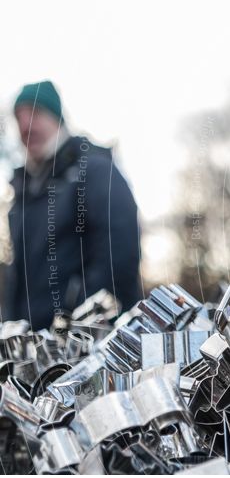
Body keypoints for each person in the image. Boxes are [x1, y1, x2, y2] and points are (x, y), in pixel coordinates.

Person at [3, 80, 142, 329]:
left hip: (89, 347)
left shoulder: (94, 170)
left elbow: (117, 258)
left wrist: (76, 325)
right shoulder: (23, 191)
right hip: (37, 353)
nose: (26, 126)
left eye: (34, 114)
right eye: (19, 118)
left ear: (56, 117)